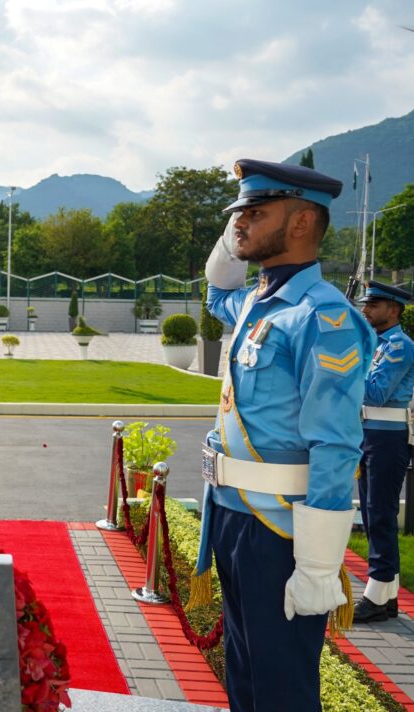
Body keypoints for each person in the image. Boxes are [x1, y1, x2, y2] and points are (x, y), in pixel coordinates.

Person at [196, 158, 376, 711]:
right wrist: (231, 242)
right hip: (232, 513)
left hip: (279, 529)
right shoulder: (260, 301)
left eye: (254, 213)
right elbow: (215, 292)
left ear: (300, 223)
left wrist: (320, 565)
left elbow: (336, 444)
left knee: (282, 689)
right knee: (246, 679)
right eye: (238, 216)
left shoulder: (322, 317)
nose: (240, 225)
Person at [352, 280, 414, 622]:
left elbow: (375, 393)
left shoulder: (400, 346)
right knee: (376, 511)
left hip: (387, 437)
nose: (366, 310)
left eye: (373, 305)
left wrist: (347, 368)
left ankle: (376, 597)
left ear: (393, 310)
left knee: (379, 512)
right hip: (371, 435)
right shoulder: (375, 343)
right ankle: (387, 595)